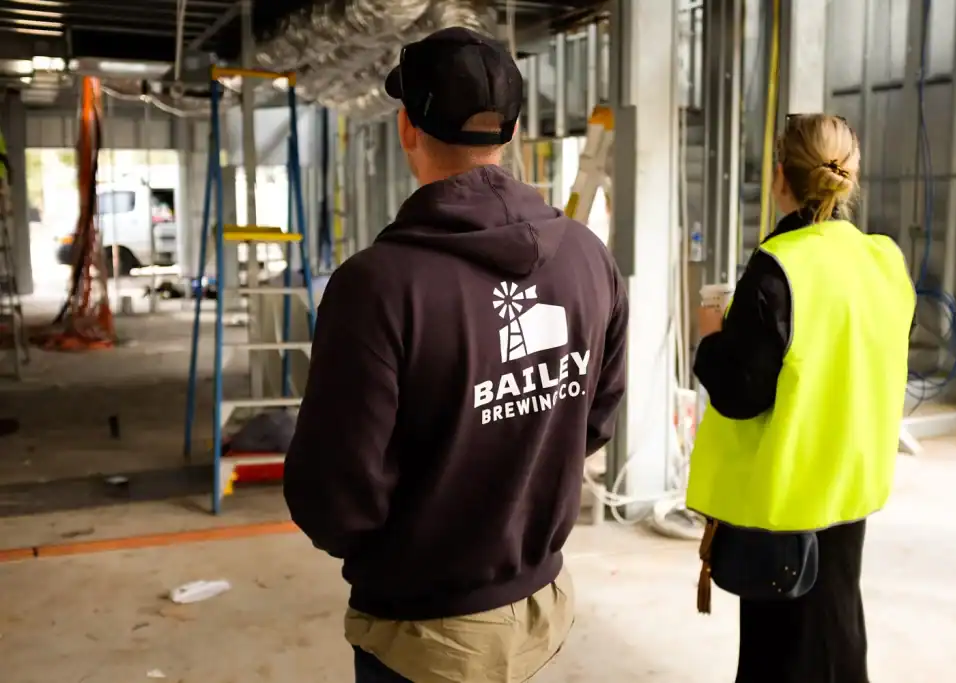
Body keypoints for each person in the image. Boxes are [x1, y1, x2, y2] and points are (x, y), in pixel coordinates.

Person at [283, 27, 629, 683]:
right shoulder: (588, 259)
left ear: (407, 126)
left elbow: (334, 494)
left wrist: (397, 550)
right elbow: (594, 419)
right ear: (512, 131)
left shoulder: (378, 285)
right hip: (538, 605)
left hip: (423, 629)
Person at [685, 113, 915, 683]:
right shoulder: (883, 260)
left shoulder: (777, 267)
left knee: (782, 648)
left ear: (781, 177)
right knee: (837, 621)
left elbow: (741, 393)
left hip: (787, 496)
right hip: (851, 482)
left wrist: (712, 334)